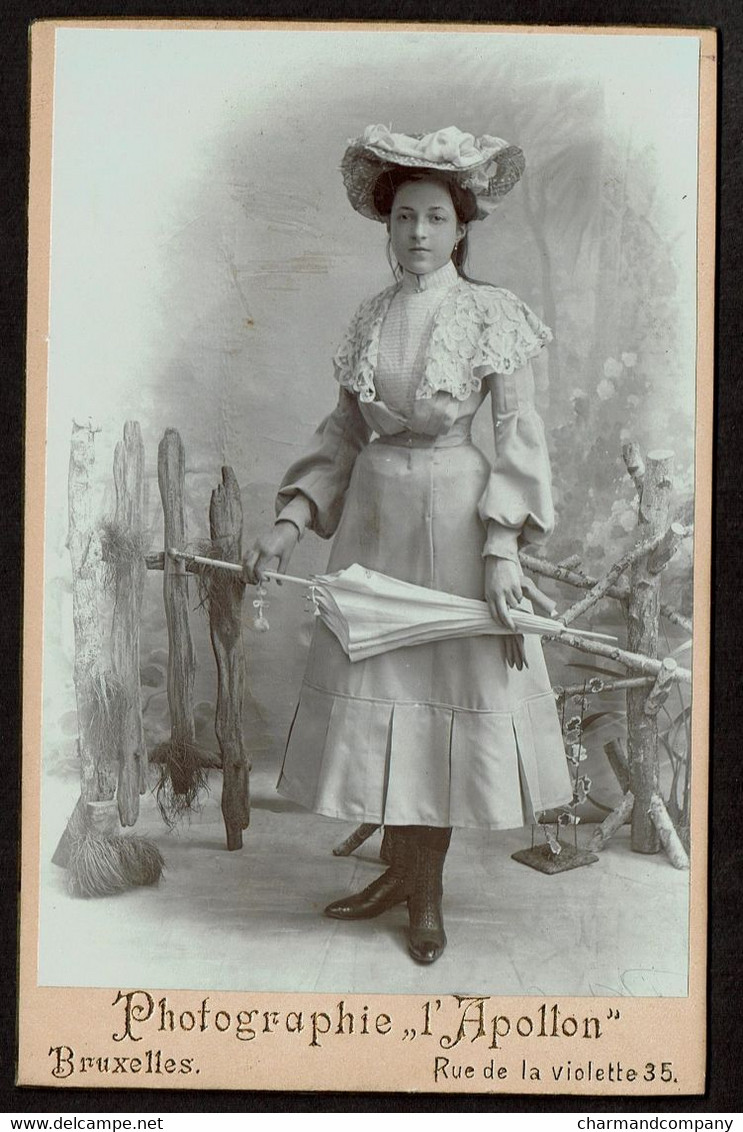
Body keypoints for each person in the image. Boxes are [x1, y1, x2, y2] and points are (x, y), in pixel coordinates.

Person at [244, 124, 573, 964]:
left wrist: (501, 550)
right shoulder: (370, 318)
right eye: (402, 218)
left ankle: (424, 894)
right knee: (385, 704)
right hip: (372, 528)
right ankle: (397, 872)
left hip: (458, 528)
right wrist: (289, 523)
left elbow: (520, 436)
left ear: (462, 227)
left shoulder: (489, 314)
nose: (417, 234)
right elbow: (342, 432)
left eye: (433, 217)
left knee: (439, 712)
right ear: (385, 226)